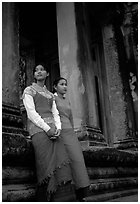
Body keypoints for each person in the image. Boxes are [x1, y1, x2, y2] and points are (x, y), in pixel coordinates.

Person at [22, 65, 73, 201]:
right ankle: (46, 198)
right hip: (38, 129)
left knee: (62, 159)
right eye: (36, 70)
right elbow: (31, 113)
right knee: (46, 163)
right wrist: (47, 129)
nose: (39, 71)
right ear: (34, 75)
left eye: (42, 69)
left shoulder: (51, 95)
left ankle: (63, 199)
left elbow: (55, 113)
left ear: (47, 74)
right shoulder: (29, 90)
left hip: (54, 131)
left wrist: (58, 128)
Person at [53, 77, 90, 201]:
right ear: (55, 87)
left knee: (78, 160)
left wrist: (74, 132)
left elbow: (71, 118)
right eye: (61, 84)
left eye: (66, 84)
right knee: (66, 162)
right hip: (60, 131)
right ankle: (69, 194)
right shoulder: (52, 98)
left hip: (70, 132)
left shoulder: (67, 101)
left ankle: (82, 191)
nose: (65, 87)